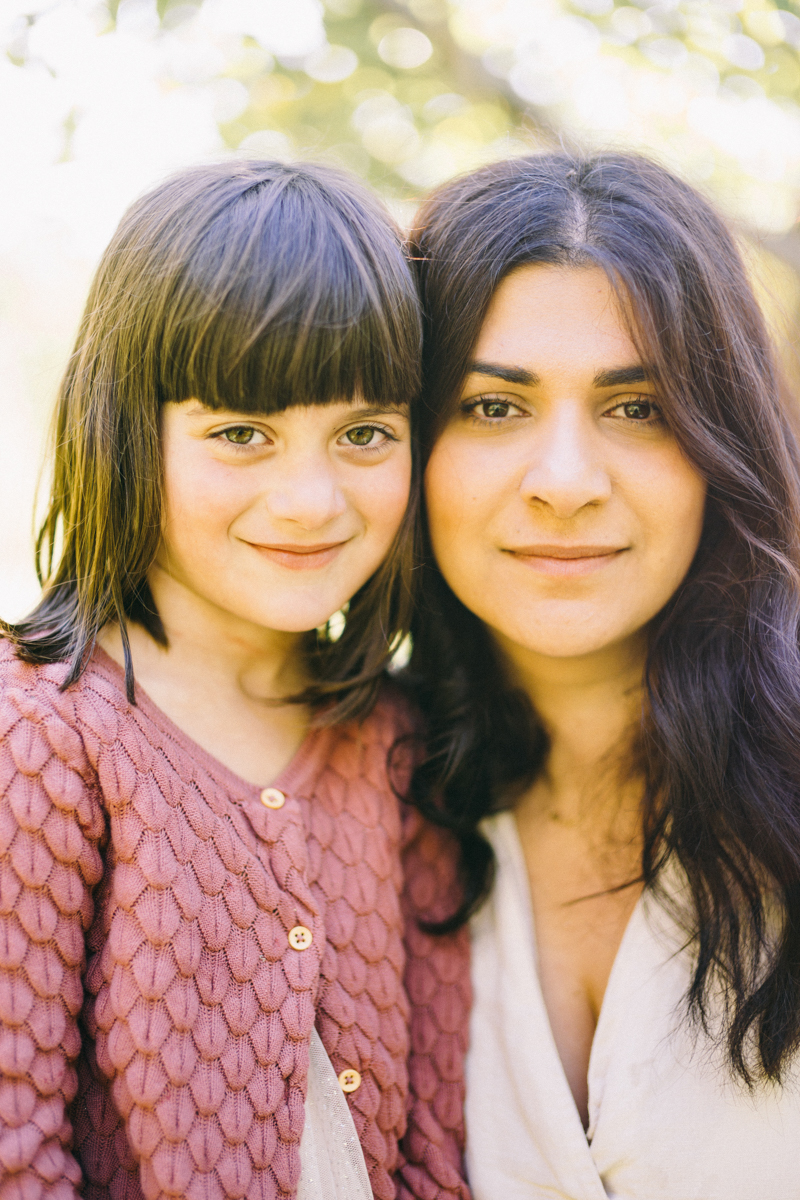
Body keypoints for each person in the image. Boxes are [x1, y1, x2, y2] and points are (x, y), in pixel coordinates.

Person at [0, 159, 425, 1200]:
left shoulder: (394, 738)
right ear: (123, 430)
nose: (309, 499)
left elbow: (436, 1145)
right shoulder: (44, 742)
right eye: (242, 434)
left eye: (363, 434)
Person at [399, 152, 800, 1200]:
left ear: (724, 446)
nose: (565, 483)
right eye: (492, 408)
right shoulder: (356, 814)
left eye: (637, 408)